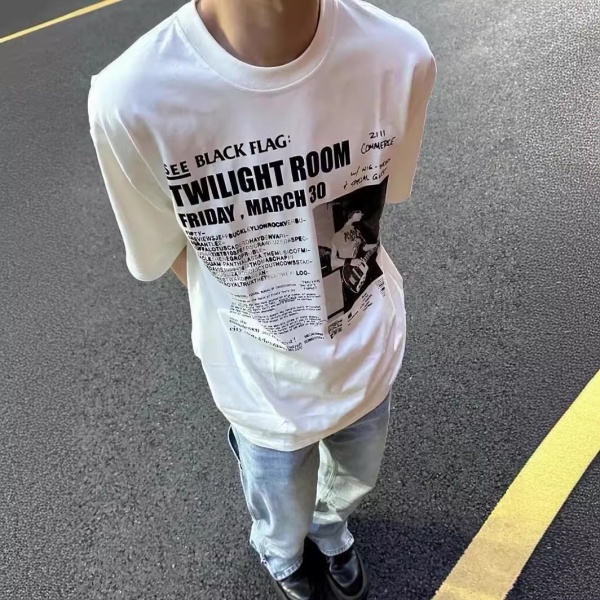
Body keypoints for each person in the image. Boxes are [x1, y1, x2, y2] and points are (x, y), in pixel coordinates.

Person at [88, 0, 436, 598]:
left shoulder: (398, 56)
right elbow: (167, 252)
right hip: (256, 381)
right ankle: (280, 553)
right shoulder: (132, 99)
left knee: (355, 474)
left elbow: (373, 203)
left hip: (367, 351)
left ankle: (331, 529)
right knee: (277, 494)